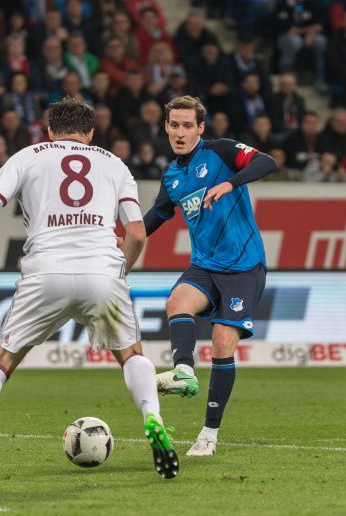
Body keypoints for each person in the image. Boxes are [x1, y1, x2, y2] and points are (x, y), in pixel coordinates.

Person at [0, 97, 178, 482]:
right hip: (102, 272)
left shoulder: (28, 155)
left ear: (50, 130)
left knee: (1, 362)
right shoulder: (114, 164)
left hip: (45, 273)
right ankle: (152, 417)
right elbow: (136, 233)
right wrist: (120, 271)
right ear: (90, 133)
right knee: (131, 354)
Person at [143, 96, 277, 456]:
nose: (181, 132)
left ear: (200, 128)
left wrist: (231, 183)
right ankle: (184, 371)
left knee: (221, 342)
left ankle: (209, 434)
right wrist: (122, 237)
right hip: (205, 265)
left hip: (244, 266)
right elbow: (155, 217)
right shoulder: (171, 176)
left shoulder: (221, 151)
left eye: (188, 125)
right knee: (177, 301)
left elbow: (267, 161)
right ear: (166, 128)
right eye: (175, 125)